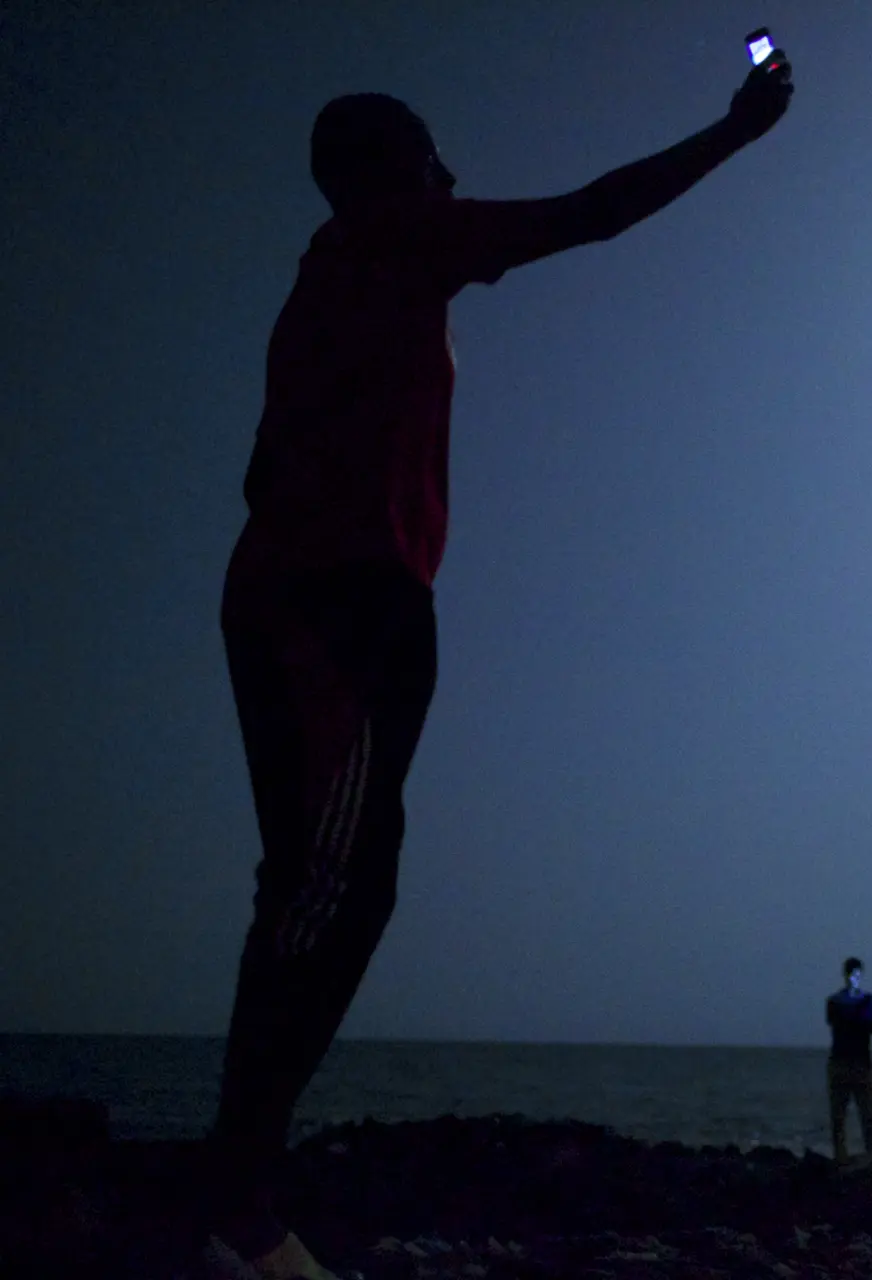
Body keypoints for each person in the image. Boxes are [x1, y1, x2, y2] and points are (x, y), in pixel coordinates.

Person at [204, 55, 794, 1280]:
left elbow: (260, 471)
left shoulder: (330, 286)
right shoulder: (387, 241)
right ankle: (236, 1204)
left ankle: (241, 1189)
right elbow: (591, 211)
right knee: (329, 889)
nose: (453, 171)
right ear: (386, 170)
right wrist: (734, 133)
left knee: (323, 887)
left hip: (313, 593)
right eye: (432, 149)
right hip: (342, 601)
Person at [826, 957, 872, 1162]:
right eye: (852, 974)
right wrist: (861, 1019)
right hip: (844, 1063)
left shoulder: (865, 1001)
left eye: (857, 975)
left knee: (867, 1114)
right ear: (846, 975)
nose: (854, 978)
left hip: (857, 1063)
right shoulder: (837, 1002)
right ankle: (844, 1156)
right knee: (840, 1116)